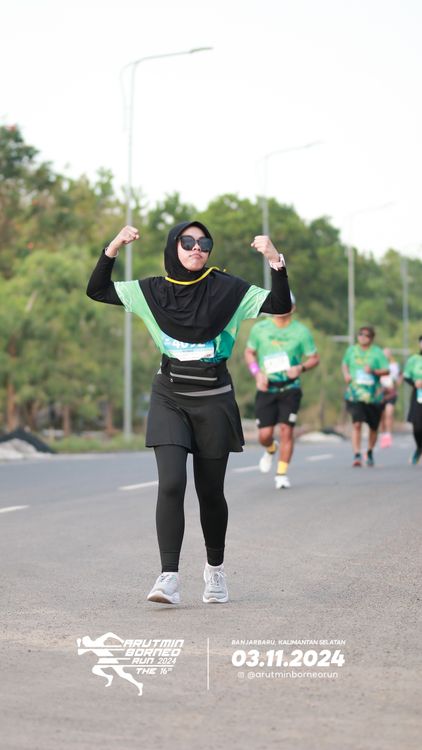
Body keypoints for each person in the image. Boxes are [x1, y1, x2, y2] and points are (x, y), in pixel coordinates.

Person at [87, 222, 292, 605]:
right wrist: (114, 245)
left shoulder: (228, 290)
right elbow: (97, 289)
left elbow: (280, 305)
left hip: (214, 397)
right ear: (174, 247)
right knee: (170, 483)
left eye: (204, 242)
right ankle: (168, 577)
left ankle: (215, 570)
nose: (197, 247)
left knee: (210, 493)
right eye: (187, 241)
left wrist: (274, 260)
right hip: (170, 396)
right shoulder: (151, 292)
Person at [244, 294, 319, 489]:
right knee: (264, 435)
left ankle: (281, 474)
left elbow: (314, 358)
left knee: (286, 430)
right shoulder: (260, 328)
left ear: (293, 307)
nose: (280, 307)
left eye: (286, 304)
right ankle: (270, 448)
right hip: (267, 387)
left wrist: (301, 368)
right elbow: (249, 352)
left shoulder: (301, 332)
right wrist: (257, 373)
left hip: (290, 388)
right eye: (277, 304)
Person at [342, 326, 389, 467]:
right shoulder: (351, 350)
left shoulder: (377, 352)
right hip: (354, 394)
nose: (362, 337)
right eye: (360, 334)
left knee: (373, 427)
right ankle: (357, 454)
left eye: (366, 335)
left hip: (373, 396)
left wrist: (374, 371)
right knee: (356, 423)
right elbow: (344, 364)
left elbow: (386, 370)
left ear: (372, 338)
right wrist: (346, 374)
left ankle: (369, 451)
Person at [403, 335, 422, 465]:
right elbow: (406, 376)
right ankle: (419, 447)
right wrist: (414, 383)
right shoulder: (414, 360)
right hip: (418, 395)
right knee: (417, 427)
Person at [379, 347, 403, 448]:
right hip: (381, 394)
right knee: (382, 416)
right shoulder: (378, 365)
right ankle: (383, 434)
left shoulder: (394, 366)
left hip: (391, 394)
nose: (386, 355)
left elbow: (400, 375)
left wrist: (397, 383)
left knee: (389, 413)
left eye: (388, 353)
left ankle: (388, 434)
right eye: (384, 354)